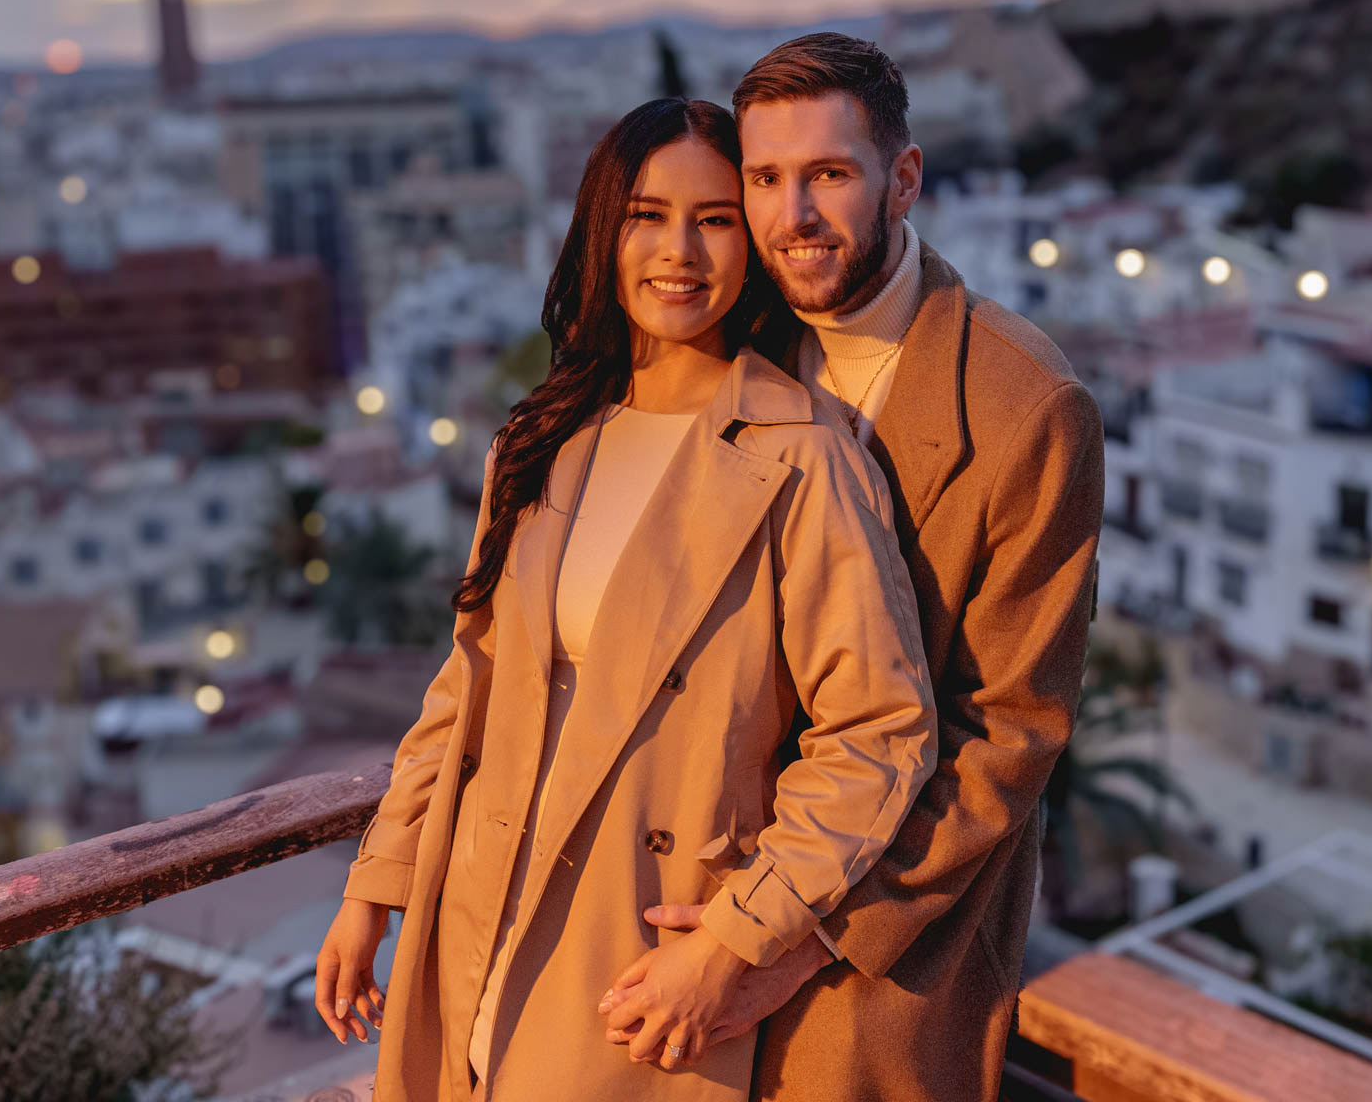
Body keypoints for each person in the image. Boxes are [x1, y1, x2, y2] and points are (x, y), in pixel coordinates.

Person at [314, 96, 938, 1101]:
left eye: (716, 217)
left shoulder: (802, 456)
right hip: (469, 914)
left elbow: (877, 735)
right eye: (647, 214)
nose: (678, 251)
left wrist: (741, 934)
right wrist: (375, 889)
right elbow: (463, 689)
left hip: (642, 956)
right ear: (604, 232)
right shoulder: (543, 436)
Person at [607, 33, 1106, 1100]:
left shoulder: (1028, 410)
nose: (792, 217)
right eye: (766, 179)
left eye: (829, 174)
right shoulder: (719, 346)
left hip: (871, 959)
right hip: (672, 913)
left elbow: (1004, 738)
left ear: (904, 178)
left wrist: (776, 945)